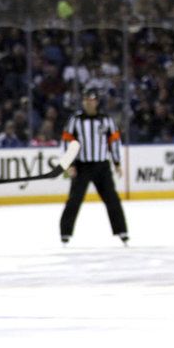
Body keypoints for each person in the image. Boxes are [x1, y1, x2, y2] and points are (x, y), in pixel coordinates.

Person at [59, 89, 128, 245]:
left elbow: (114, 142)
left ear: (96, 102)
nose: (87, 103)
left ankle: (121, 230)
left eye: (91, 100)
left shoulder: (106, 120)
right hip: (82, 166)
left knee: (112, 199)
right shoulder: (75, 120)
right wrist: (69, 164)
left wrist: (117, 163)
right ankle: (65, 233)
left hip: (102, 166)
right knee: (74, 200)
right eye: (85, 100)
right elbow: (66, 142)